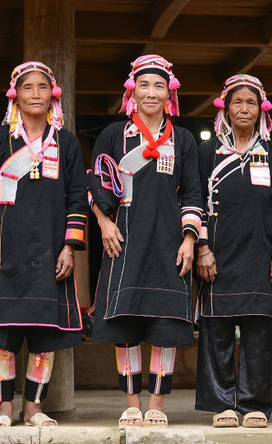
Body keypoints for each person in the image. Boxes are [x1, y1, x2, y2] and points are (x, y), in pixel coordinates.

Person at [0, 61, 88, 427]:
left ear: (52, 94)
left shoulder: (65, 142)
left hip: (51, 252)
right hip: (3, 253)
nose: (35, 94)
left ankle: (34, 408)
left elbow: (78, 198)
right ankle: (4, 409)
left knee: (44, 336)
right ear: (15, 95)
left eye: (41, 87)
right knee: (1, 336)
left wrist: (69, 247)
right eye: (27, 87)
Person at [88, 54, 202, 429]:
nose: (151, 92)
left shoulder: (182, 139)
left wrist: (190, 239)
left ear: (170, 93)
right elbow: (99, 185)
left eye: (159, 85)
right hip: (125, 240)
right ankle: (132, 402)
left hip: (170, 242)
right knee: (126, 324)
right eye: (144, 85)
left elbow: (194, 194)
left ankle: (157, 402)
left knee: (165, 324)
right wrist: (104, 223)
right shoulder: (113, 135)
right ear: (131, 91)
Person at [194, 74, 272, 428]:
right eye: (238, 102)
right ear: (226, 107)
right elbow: (193, 201)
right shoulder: (207, 153)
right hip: (216, 256)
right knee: (216, 331)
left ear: (261, 109)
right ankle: (221, 405)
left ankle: (254, 406)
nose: (245, 108)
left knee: (258, 335)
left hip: (262, 256)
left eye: (251, 102)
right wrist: (202, 246)